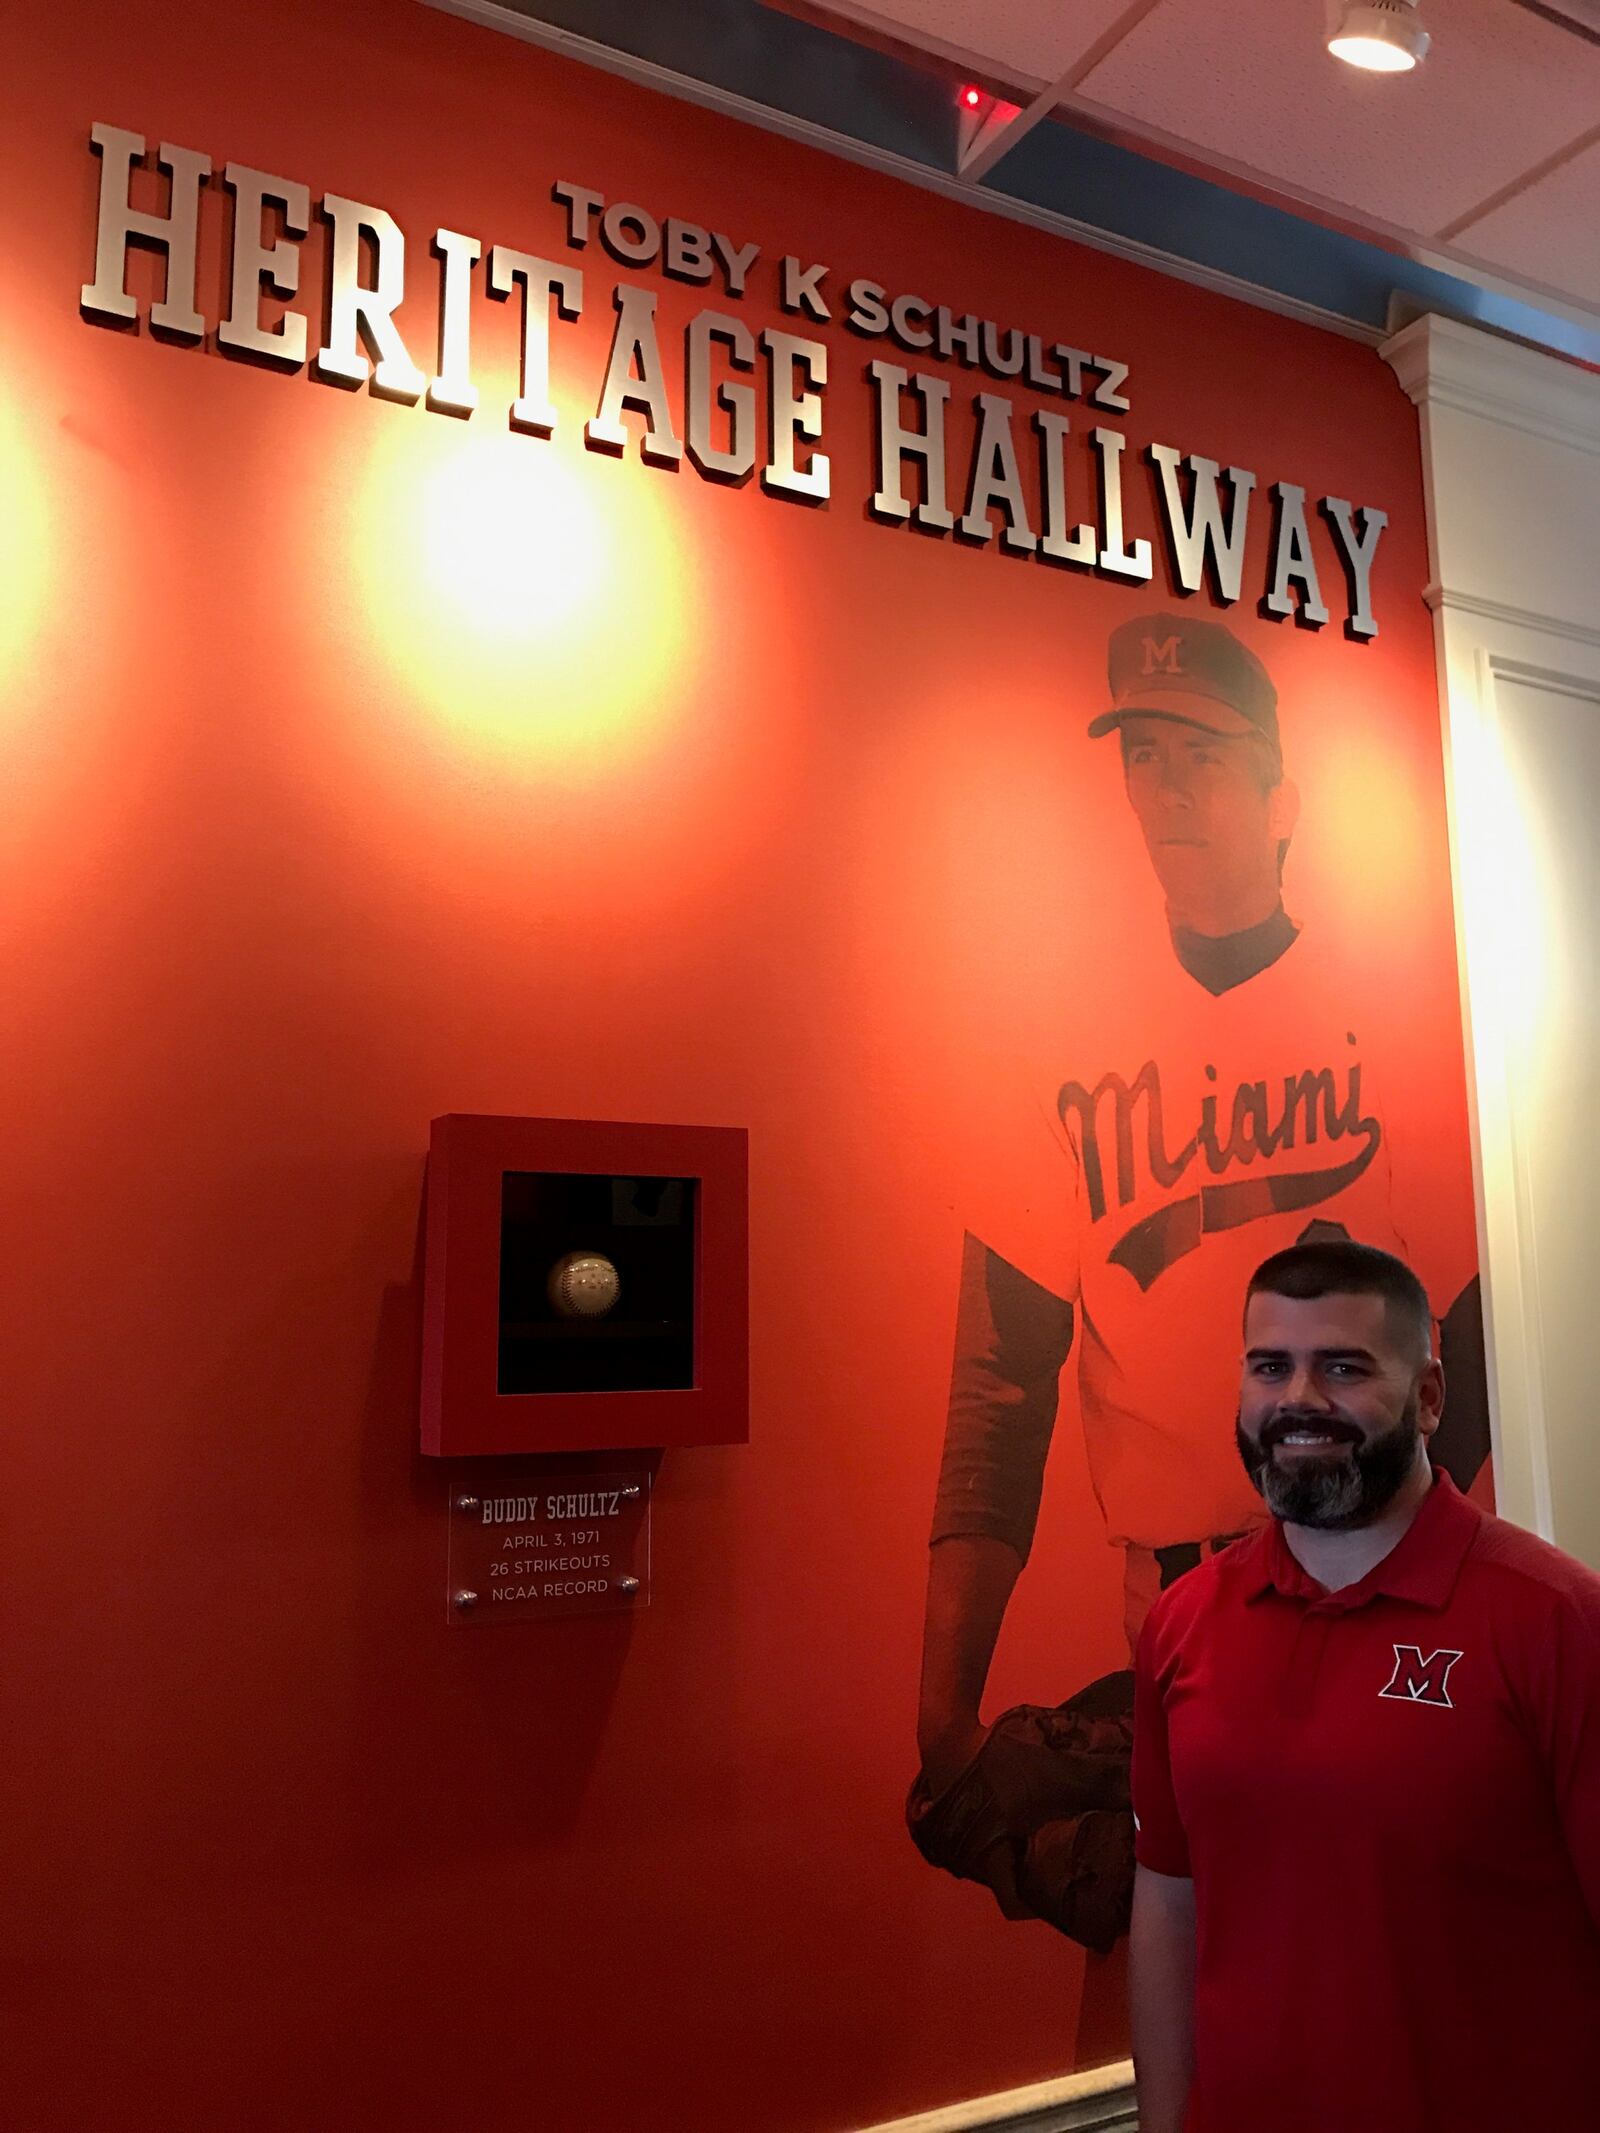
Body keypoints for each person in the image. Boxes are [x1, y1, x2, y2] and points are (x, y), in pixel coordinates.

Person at [909, 613, 1489, 1947]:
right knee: (1190, 1969)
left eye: (1205, 759)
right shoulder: (1054, 1040)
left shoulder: (1387, 1016)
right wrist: (944, 1724)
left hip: (1366, 1569)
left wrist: (1426, 1594)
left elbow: (1474, 1342)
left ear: (1282, 801)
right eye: (1145, 757)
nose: (1167, 788)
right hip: (1179, 1610)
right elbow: (1000, 1389)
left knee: (1371, 1949)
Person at [1131, 1241, 1600, 2133]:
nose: (1298, 1399)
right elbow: (1168, 1898)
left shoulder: (1558, 1620)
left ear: (1428, 1397)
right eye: (1271, 1366)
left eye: (1342, 1367)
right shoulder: (1181, 1625)